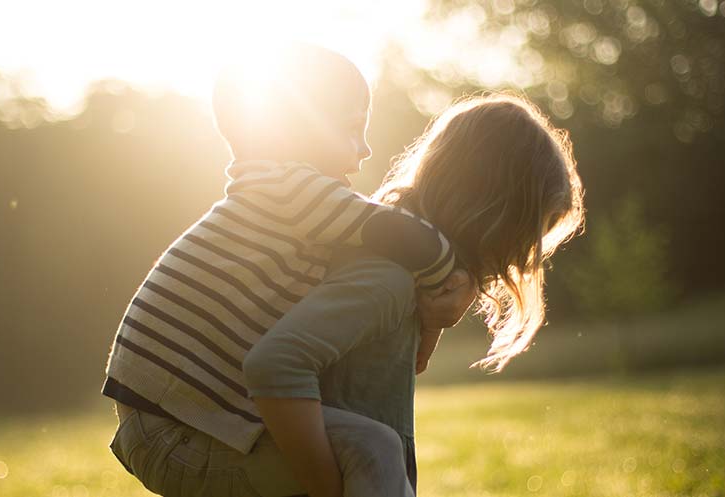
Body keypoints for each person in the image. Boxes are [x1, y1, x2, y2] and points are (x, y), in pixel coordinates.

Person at [107, 92, 584, 497]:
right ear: (494, 213)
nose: (525, 257)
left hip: (193, 426)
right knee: (374, 448)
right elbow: (275, 365)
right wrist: (326, 488)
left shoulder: (394, 265)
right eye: (532, 233)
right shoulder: (387, 277)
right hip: (180, 434)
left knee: (374, 450)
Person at [102, 43, 476, 497]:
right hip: (179, 430)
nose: (365, 148)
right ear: (298, 130)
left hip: (171, 419)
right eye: (353, 129)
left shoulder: (273, 195)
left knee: (357, 443)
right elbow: (402, 234)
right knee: (373, 446)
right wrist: (451, 284)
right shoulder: (290, 189)